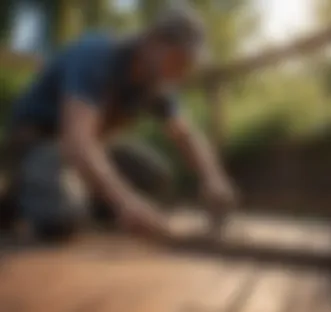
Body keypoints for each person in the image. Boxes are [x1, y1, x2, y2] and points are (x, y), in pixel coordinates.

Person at [0, 7, 235, 241]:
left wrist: (213, 178)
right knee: (60, 217)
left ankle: (84, 199)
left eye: (188, 64)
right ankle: (21, 194)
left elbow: (185, 134)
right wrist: (126, 200)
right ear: (152, 42)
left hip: (90, 148)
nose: (182, 72)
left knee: (155, 178)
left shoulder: (159, 83)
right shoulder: (96, 56)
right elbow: (78, 140)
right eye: (179, 60)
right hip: (38, 141)